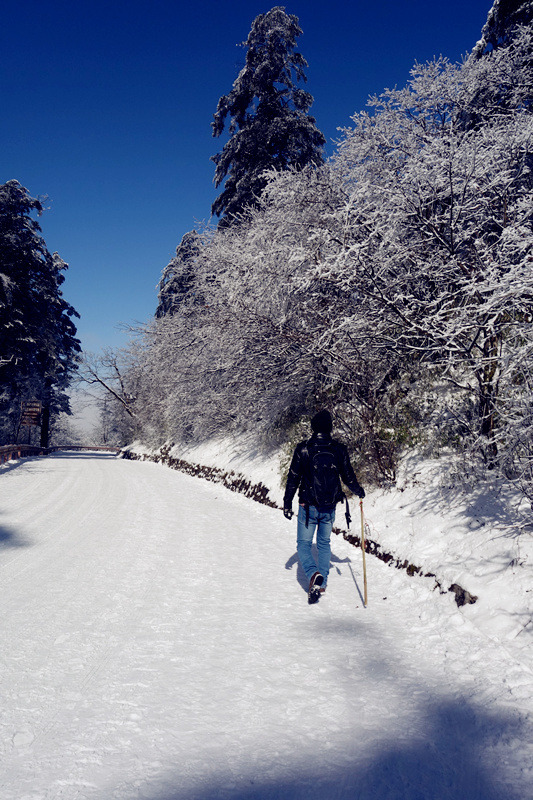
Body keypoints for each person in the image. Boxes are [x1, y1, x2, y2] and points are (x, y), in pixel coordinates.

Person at [283, 410, 365, 603]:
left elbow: (293, 478)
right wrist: (359, 491)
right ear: (330, 427)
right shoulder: (338, 449)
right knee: (324, 544)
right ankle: (322, 584)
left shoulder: (303, 448)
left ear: (313, 427)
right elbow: (348, 476)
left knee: (303, 545)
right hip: (329, 506)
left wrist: (287, 503)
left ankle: (313, 575)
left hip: (307, 506)